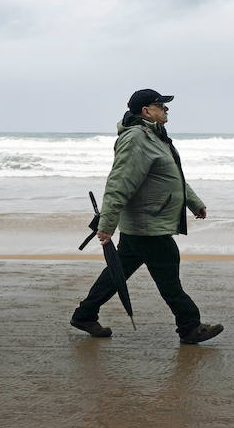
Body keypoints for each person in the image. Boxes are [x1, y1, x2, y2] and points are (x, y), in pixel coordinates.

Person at [71, 89, 224, 344]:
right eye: (160, 105)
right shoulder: (136, 139)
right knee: (168, 272)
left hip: (146, 222)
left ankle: (85, 314)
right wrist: (107, 225)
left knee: (117, 271)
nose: (166, 110)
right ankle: (189, 326)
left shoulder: (155, 136)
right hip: (148, 224)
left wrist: (194, 203)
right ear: (146, 111)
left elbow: (170, 177)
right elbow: (119, 183)